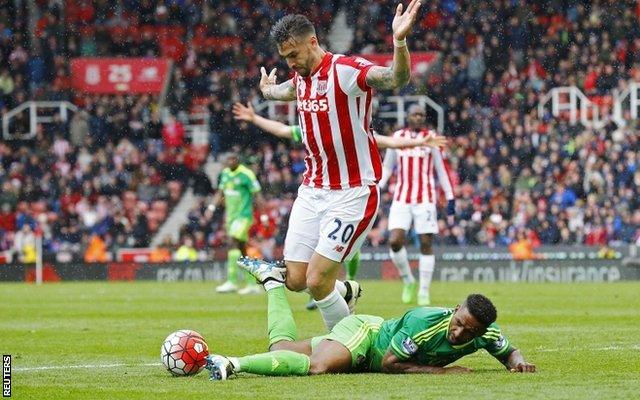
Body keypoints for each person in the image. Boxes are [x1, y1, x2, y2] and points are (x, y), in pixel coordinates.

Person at [253, 1, 423, 330]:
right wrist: (266, 90)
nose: (290, 63)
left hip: (353, 191)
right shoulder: (300, 79)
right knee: (296, 280)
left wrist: (399, 42)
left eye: (294, 55)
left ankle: (348, 345)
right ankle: (345, 292)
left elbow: (395, 77)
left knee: (317, 281)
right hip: (313, 190)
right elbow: (283, 91)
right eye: (285, 58)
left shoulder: (345, 71)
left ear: (313, 43)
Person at [231, 102, 448, 310]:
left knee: (335, 258)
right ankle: (342, 289)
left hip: (348, 198)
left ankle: (348, 285)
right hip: (316, 197)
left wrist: (420, 143)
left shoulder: (352, 130)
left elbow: (386, 141)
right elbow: (282, 130)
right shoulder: (309, 128)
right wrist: (254, 118)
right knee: (298, 277)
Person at [205, 262, 535, 380]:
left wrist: (517, 362)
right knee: (318, 366)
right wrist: (443, 371)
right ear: (456, 308)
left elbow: (509, 350)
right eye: (459, 321)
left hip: (366, 357)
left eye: (468, 331)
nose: (459, 331)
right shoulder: (427, 321)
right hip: (366, 334)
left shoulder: (485, 332)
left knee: (280, 348)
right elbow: (391, 364)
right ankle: (232, 364)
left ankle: (272, 283)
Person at [378, 105, 456, 306]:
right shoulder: (398, 136)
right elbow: (387, 166)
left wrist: (450, 196)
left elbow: (441, 168)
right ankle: (408, 280)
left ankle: (423, 291)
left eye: (422, 114)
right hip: (401, 198)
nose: (419, 117)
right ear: (408, 116)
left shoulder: (431, 138)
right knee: (395, 241)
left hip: (425, 200)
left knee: (426, 244)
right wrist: (378, 187)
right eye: (415, 114)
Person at [210, 154, 265, 295]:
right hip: (231, 217)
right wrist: (211, 208)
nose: (230, 161)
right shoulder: (225, 174)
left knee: (232, 242)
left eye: (233, 159)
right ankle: (252, 284)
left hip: (244, 216)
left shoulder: (247, 174)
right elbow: (220, 192)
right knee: (242, 249)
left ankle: (232, 282)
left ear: (238, 160)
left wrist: (264, 214)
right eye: (228, 159)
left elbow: (257, 194)